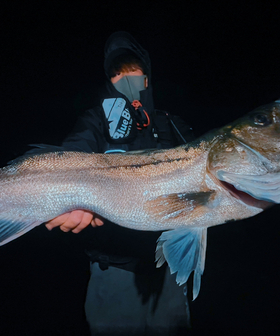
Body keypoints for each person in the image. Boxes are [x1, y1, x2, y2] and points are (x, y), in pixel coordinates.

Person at [46, 31, 195, 335]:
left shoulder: (170, 124)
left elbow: (202, 171)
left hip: (166, 270)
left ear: (147, 77)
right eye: (117, 73)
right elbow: (73, 152)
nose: (126, 78)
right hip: (113, 271)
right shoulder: (95, 120)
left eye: (133, 71)